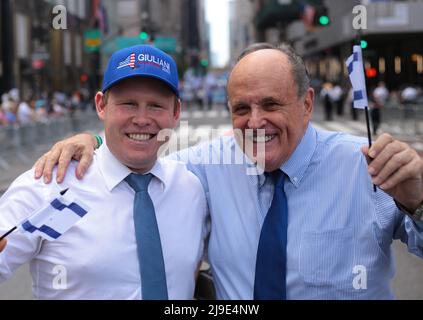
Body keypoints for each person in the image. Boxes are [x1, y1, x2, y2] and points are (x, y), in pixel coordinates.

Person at [34, 43, 423, 300]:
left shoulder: (367, 165)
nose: (255, 123)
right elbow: (137, 158)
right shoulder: (206, 165)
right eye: (241, 109)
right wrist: (94, 142)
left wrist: (418, 199)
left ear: (306, 104)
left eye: (271, 104)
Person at [0, 45, 208, 299]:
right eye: (128, 104)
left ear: (176, 112)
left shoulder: (190, 187)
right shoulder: (51, 184)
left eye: (155, 106)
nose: (142, 118)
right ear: (101, 105)